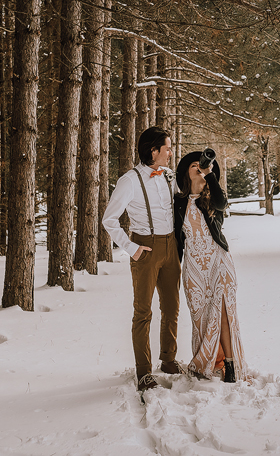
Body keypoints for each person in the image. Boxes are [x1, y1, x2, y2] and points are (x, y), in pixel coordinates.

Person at [101, 126, 189, 393]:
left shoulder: (168, 176)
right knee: (143, 313)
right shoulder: (129, 181)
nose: (171, 152)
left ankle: (169, 359)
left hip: (171, 246)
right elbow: (109, 220)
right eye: (167, 148)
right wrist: (132, 248)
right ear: (153, 151)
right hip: (145, 248)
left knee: (172, 307)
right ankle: (143, 372)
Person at [174, 150, 247, 383]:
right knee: (201, 317)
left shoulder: (212, 198)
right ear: (186, 172)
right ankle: (208, 360)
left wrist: (210, 175)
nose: (198, 167)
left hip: (218, 261)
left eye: (202, 165)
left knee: (223, 311)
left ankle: (231, 365)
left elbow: (222, 203)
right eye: (194, 165)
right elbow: (177, 238)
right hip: (194, 266)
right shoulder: (178, 202)